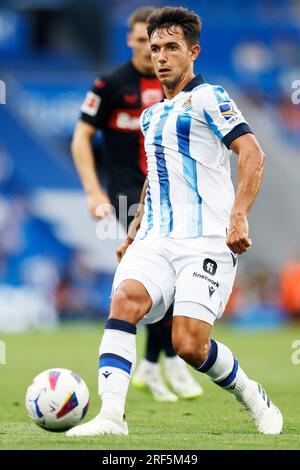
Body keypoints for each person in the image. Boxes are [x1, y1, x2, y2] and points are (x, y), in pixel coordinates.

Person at [67, 6, 283, 437]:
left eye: (171, 47)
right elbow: (154, 179)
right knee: (124, 300)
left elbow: (253, 153)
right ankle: (111, 418)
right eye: (156, 47)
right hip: (156, 238)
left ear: (193, 52)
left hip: (205, 241)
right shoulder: (151, 116)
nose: (161, 56)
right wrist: (132, 232)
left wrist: (239, 215)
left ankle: (253, 394)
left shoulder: (210, 98)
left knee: (188, 345)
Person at [71, 6, 202, 402]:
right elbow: (81, 138)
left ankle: (156, 363)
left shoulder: (177, 88)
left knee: (173, 276)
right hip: (130, 194)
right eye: (144, 40)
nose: (152, 50)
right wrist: (94, 192)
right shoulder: (110, 84)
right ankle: (156, 363)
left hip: (172, 191)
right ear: (130, 40)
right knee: (159, 272)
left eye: (159, 42)